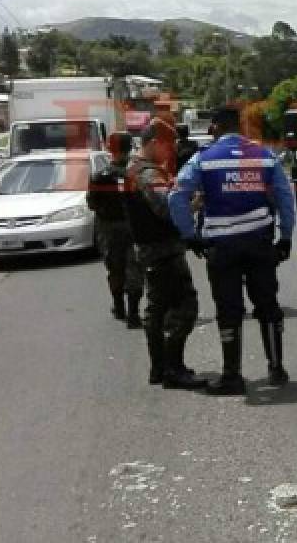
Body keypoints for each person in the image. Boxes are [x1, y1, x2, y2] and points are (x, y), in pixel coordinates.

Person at [168, 107, 296, 395]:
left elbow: (177, 196)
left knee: (229, 310)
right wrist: (286, 237)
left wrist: (190, 236)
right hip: (259, 242)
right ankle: (276, 368)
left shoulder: (202, 159)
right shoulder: (264, 156)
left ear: (214, 128)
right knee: (267, 305)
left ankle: (232, 376)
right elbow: (285, 198)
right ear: (239, 126)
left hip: (221, 246)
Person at [126, 117, 207, 389]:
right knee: (184, 309)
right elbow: (166, 209)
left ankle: (160, 368)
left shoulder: (136, 169)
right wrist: (193, 205)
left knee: (156, 311)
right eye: (167, 145)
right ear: (153, 143)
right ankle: (173, 369)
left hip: (151, 251)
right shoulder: (148, 173)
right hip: (163, 252)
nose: (170, 151)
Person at [86, 132, 143, 328]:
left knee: (115, 268)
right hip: (134, 226)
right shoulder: (137, 174)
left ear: (110, 149)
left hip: (108, 229)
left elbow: (92, 204)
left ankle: (119, 307)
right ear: (130, 148)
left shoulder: (99, 176)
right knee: (134, 268)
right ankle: (134, 313)